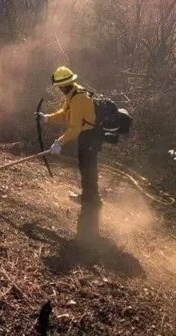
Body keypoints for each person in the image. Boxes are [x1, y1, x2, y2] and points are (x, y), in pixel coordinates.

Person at [36, 66, 102, 244]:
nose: (59, 89)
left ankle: (92, 200)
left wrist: (59, 142)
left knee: (88, 168)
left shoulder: (79, 98)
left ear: (65, 84)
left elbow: (75, 127)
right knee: (85, 167)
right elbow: (65, 114)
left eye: (60, 86)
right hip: (87, 135)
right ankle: (89, 197)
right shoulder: (72, 94)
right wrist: (48, 117)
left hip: (90, 136)